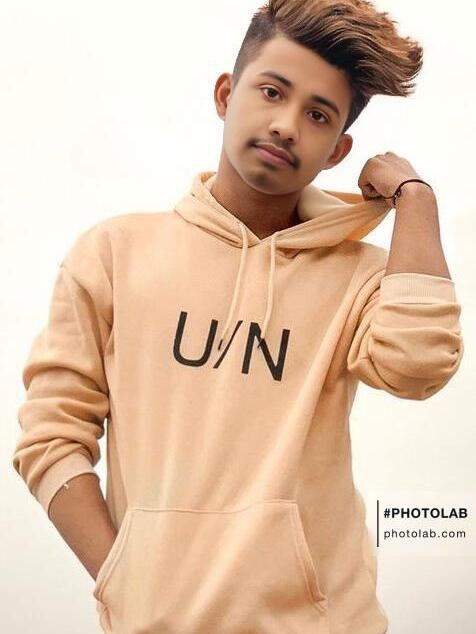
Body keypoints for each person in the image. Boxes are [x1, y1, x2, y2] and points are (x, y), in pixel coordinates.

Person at [12, 1, 464, 633]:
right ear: (226, 94)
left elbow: (417, 367)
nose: (286, 125)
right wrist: (122, 576)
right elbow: (51, 438)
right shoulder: (114, 253)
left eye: (317, 114)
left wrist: (416, 199)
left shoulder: (362, 276)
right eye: (272, 92)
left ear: (338, 150)